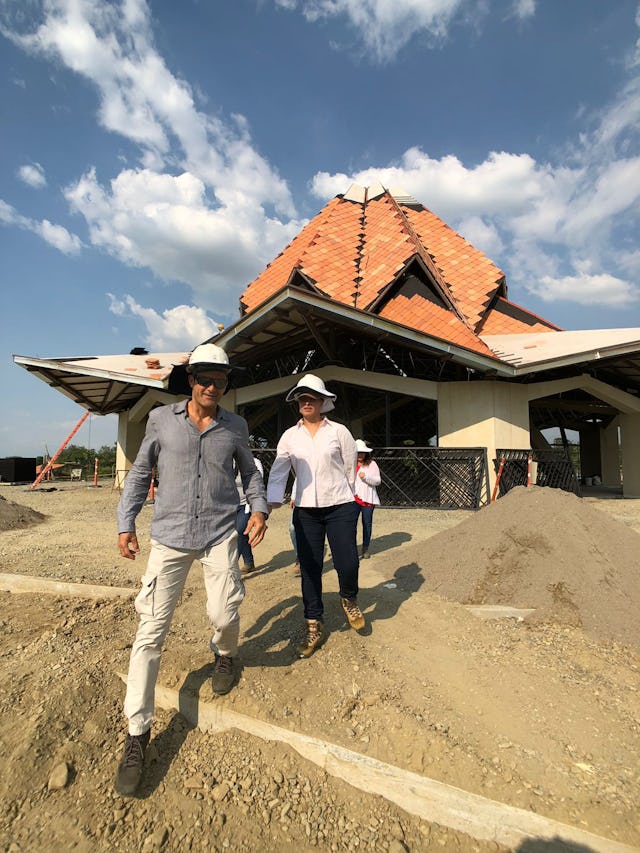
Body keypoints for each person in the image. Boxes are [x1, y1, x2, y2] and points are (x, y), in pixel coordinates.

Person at [114, 343, 268, 797]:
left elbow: (252, 474)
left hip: (220, 533)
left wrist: (258, 508)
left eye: (219, 378)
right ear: (191, 379)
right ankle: (137, 734)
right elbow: (141, 472)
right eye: (204, 376)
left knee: (223, 613)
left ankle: (224, 653)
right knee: (150, 632)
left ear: (225, 383)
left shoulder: (235, 426)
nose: (211, 385)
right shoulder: (162, 419)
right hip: (169, 538)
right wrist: (127, 522)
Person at [267, 374, 364, 659]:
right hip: (306, 509)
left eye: (312, 397)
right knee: (310, 567)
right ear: (298, 402)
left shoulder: (339, 432)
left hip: (340, 505)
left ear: (323, 402)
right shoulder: (290, 435)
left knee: (347, 561)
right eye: (302, 397)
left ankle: (348, 597)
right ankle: (314, 624)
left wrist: (346, 494)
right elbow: (280, 470)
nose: (306, 402)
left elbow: (349, 467)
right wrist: (272, 500)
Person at [235, 455, 264, 574]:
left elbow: (258, 484)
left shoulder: (254, 463)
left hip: (245, 505)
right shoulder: (226, 462)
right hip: (229, 505)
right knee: (242, 534)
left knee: (240, 531)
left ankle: (230, 566)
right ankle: (249, 562)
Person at [354, 439, 381, 559]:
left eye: (362, 452)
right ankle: (351, 548)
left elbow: (377, 481)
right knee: (350, 525)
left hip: (367, 499)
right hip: (352, 499)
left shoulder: (372, 464)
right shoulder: (349, 464)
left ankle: (365, 547)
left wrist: (366, 477)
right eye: (358, 452)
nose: (360, 455)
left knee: (367, 524)